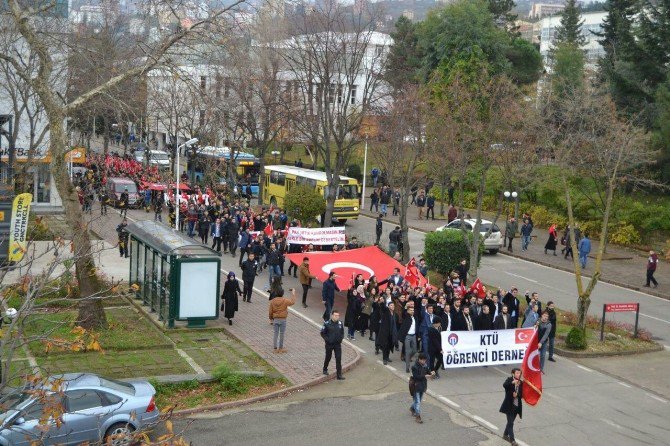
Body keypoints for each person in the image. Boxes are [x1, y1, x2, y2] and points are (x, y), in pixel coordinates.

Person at [268, 288, 296, 353]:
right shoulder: (285, 300)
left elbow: (270, 311)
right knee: (282, 333)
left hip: (275, 319)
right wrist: (293, 293)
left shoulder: (273, 301)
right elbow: (292, 302)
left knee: (275, 333)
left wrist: (271, 318)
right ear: (282, 294)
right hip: (283, 319)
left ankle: (275, 348)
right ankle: (280, 348)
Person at [500, 368, 523, 446]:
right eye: (517, 373)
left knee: (510, 422)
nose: (518, 375)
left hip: (516, 406)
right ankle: (512, 440)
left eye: (519, 373)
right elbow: (504, 385)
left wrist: (518, 395)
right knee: (510, 423)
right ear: (513, 373)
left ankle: (505, 435)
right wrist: (513, 382)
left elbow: (522, 394)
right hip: (509, 405)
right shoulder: (509, 380)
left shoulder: (521, 382)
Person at [410, 353, 435, 424]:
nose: (424, 362)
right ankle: (418, 417)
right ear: (419, 359)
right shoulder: (414, 367)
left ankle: (412, 408)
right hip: (416, 386)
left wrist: (431, 373)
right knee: (417, 402)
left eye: (425, 360)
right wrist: (425, 376)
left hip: (423, 386)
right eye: (423, 360)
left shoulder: (425, 365)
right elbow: (416, 377)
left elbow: (428, 372)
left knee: (418, 401)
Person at [321, 310, 345, 380]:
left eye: (338, 315)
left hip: (337, 344)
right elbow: (322, 333)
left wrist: (341, 339)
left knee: (338, 358)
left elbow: (342, 332)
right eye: (335, 315)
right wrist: (327, 340)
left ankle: (339, 375)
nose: (337, 317)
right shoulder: (327, 323)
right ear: (332, 315)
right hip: (329, 344)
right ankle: (325, 369)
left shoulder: (340, 323)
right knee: (328, 357)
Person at [398, 305, 418, 373]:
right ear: (408, 311)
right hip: (407, 336)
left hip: (414, 336)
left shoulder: (415, 317)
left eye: (413, 310)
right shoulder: (406, 317)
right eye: (410, 310)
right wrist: (406, 307)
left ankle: (408, 357)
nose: (412, 311)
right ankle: (407, 367)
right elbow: (404, 313)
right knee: (407, 351)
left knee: (415, 350)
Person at [378, 301, 398, 365]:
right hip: (385, 332)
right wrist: (382, 302)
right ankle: (384, 359)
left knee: (390, 345)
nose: (393, 306)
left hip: (392, 333)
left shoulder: (394, 314)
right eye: (391, 305)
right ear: (388, 306)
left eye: (393, 305)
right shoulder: (386, 312)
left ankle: (387, 357)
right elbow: (383, 308)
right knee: (385, 346)